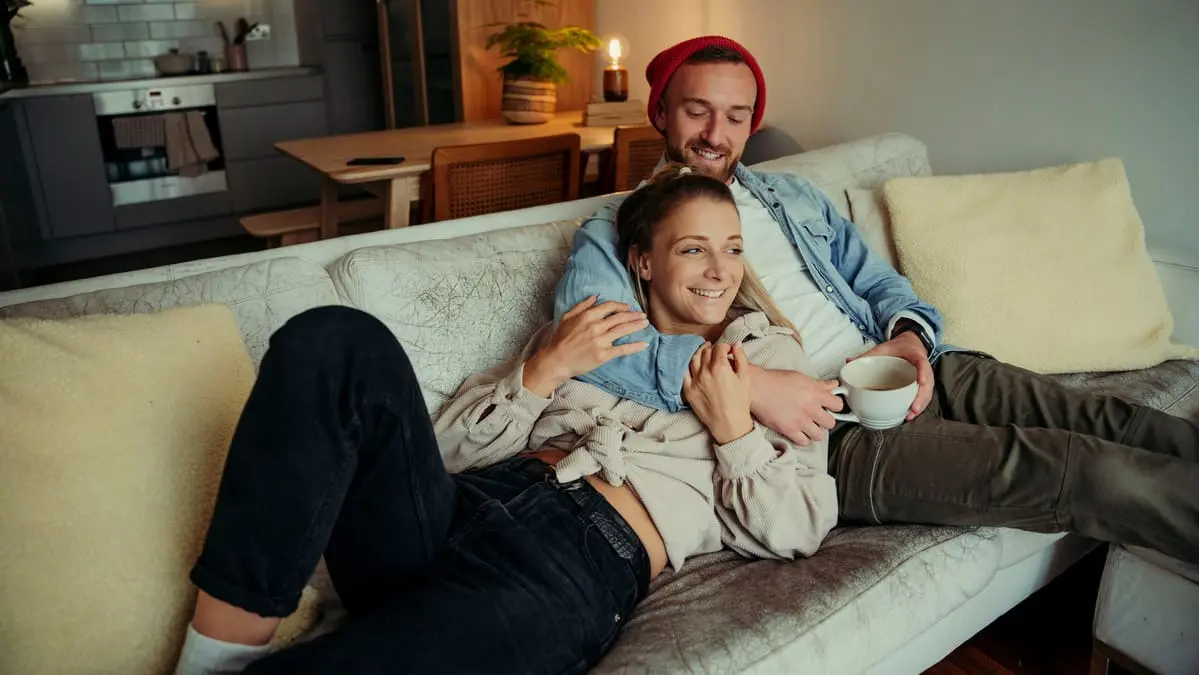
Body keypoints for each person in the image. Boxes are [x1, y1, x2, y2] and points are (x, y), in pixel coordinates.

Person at [553, 35, 1199, 564]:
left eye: (736, 114)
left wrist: (910, 337)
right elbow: (597, 351)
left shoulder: (795, 198)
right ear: (660, 111)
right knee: (1082, 471)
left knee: (1108, 419)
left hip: (913, 368)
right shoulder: (618, 226)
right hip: (830, 435)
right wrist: (751, 386)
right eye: (697, 110)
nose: (715, 132)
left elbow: (881, 283)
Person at [174, 165, 839, 675]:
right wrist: (542, 370)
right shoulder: (588, 329)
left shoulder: (765, 357)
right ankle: (217, 652)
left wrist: (736, 432)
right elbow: (444, 455)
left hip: (575, 561)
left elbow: (800, 527)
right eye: (693, 249)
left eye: (731, 248)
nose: (720, 270)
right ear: (643, 260)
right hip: (459, 506)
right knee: (332, 339)